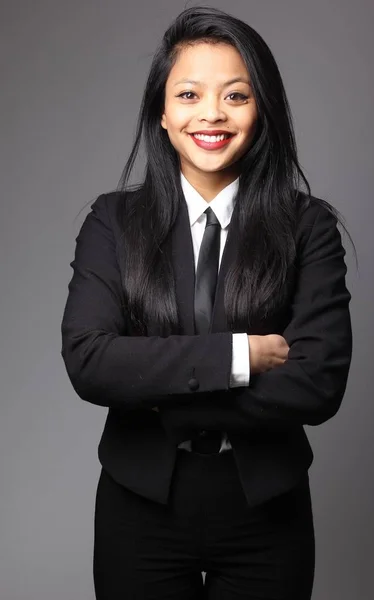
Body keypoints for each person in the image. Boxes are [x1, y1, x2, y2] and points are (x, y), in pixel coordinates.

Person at [61, 6, 353, 599]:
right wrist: (238, 358)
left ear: (262, 111)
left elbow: (318, 385)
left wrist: (158, 395)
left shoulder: (308, 226)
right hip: (139, 505)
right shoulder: (112, 221)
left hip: (266, 508)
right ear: (162, 115)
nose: (211, 114)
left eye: (236, 96)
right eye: (189, 94)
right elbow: (90, 361)